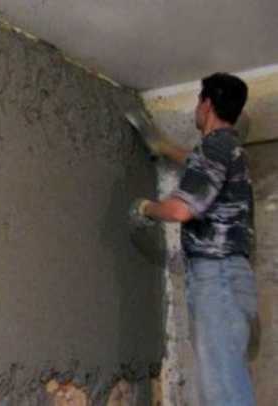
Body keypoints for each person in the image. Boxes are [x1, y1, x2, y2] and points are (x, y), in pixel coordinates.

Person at [130, 72, 258, 406]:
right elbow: (200, 165)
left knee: (222, 391)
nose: (196, 109)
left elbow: (181, 210)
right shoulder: (232, 151)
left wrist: (146, 208)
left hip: (217, 278)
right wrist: (163, 147)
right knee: (226, 382)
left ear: (207, 104)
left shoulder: (215, 147)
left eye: (198, 102)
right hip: (231, 278)